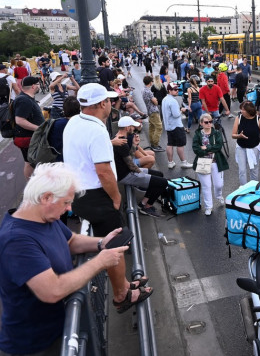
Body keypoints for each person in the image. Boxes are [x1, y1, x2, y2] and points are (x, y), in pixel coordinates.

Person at [0, 163, 138, 356]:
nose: (69, 208)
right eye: (66, 202)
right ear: (46, 197)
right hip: (34, 344)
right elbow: (52, 290)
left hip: (57, 328)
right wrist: (100, 262)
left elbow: (71, 241)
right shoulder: (17, 240)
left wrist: (101, 243)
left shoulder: (46, 217)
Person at [63, 84, 153, 317]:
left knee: (112, 244)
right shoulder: (97, 131)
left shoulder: (74, 122)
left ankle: (122, 283)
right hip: (97, 195)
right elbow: (103, 171)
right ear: (102, 103)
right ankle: (121, 295)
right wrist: (115, 197)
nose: (111, 104)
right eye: (108, 101)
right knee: (116, 246)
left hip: (79, 192)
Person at [113, 116, 167, 217]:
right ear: (127, 127)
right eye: (132, 127)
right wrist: (143, 174)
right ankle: (147, 207)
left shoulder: (119, 138)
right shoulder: (121, 143)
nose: (134, 129)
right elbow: (131, 165)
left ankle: (142, 203)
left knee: (159, 175)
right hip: (126, 175)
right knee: (163, 183)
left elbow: (130, 157)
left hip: (127, 170)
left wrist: (134, 145)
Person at [193, 113, 229, 215]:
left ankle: (219, 196)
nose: (209, 124)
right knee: (206, 186)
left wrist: (206, 148)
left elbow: (218, 146)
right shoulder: (197, 134)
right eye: (206, 122)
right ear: (201, 123)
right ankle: (209, 207)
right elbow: (196, 149)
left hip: (216, 162)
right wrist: (207, 150)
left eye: (210, 122)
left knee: (219, 184)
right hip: (203, 162)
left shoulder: (216, 133)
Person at [12, 76, 45, 180]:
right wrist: (39, 129)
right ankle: (31, 185)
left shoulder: (26, 98)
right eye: (38, 84)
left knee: (30, 161)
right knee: (30, 162)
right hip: (27, 137)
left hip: (29, 137)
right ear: (33, 86)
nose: (40, 86)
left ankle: (33, 184)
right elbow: (20, 120)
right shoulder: (24, 100)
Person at [231, 101, 260, 185]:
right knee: (242, 171)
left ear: (249, 111)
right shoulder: (238, 118)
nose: (241, 111)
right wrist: (239, 136)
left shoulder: (258, 119)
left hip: (254, 148)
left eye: (243, 109)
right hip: (241, 148)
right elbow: (233, 135)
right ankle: (244, 190)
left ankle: (254, 189)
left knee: (254, 170)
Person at [161, 83, 194, 169]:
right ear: (169, 91)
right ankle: (183, 162)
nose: (177, 91)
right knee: (180, 144)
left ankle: (170, 162)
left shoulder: (165, 99)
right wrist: (182, 110)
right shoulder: (173, 101)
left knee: (170, 143)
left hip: (168, 125)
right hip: (176, 125)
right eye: (175, 90)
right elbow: (176, 115)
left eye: (177, 89)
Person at [141, 76, 164, 152]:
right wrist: (156, 100)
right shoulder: (148, 91)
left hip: (149, 110)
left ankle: (152, 143)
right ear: (150, 82)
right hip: (153, 110)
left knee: (152, 127)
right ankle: (155, 144)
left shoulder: (144, 90)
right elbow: (155, 102)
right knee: (159, 127)